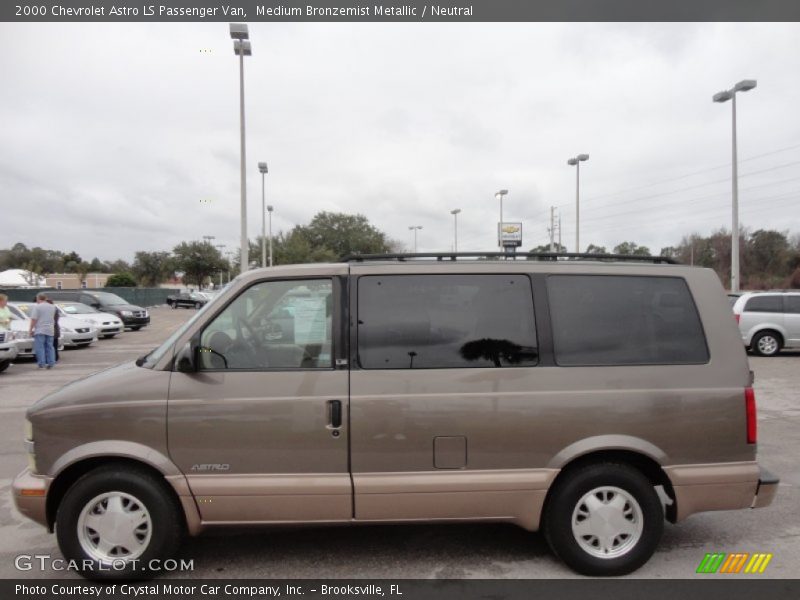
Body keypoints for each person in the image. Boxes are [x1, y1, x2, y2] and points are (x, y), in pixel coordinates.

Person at [28, 293, 57, 369]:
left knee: (40, 347)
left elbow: (34, 319)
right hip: (50, 329)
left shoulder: (37, 307)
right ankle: (51, 363)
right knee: (50, 347)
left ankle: (41, 363)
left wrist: (31, 329)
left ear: (38, 299)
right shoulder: (52, 307)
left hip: (40, 329)